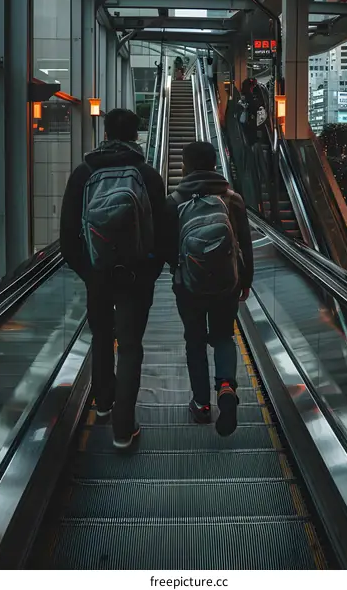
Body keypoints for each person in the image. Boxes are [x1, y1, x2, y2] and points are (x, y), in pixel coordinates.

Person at [60, 108, 167, 449]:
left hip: (99, 276)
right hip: (136, 277)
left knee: (103, 337)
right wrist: (149, 271)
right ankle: (123, 428)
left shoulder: (83, 173)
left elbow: (67, 237)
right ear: (137, 135)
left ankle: (103, 403)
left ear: (105, 132)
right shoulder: (148, 175)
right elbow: (161, 236)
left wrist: (90, 273)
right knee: (131, 345)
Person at [166, 141, 254, 437]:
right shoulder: (232, 199)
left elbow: (166, 248)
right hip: (226, 284)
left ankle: (201, 404)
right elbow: (245, 243)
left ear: (185, 166)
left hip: (188, 286)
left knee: (195, 341)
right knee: (224, 336)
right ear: (215, 164)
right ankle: (226, 386)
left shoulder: (174, 200)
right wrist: (246, 281)